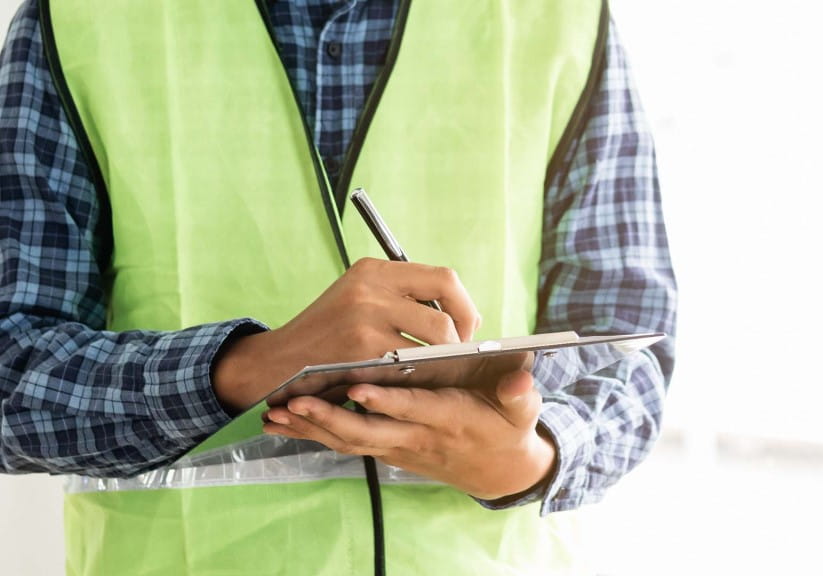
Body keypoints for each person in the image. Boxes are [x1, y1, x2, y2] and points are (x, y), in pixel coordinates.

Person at [0, 0, 677, 574]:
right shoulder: (78, 17)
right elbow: (10, 376)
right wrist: (249, 366)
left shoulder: (558, 14)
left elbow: (629, 344)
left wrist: (529, 458)